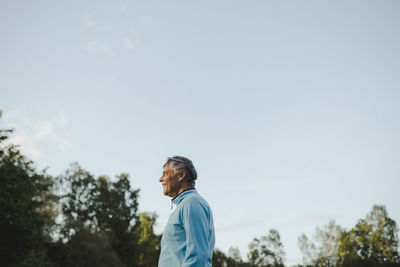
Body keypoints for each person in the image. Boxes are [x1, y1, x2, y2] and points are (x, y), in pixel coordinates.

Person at [158, 156, 215, 267]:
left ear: (181, 175)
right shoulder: (186, 204)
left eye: (165, 174)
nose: (160, 179)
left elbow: (198, 254)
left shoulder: (191, 203)